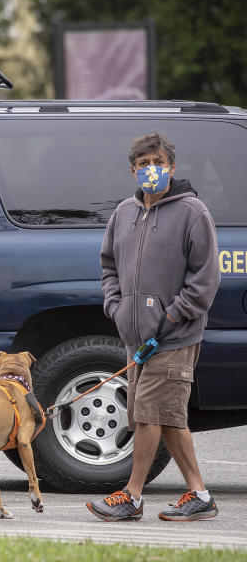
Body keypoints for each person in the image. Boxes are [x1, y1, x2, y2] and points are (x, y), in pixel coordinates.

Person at [88, 132, 221, 522]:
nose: (151, 170)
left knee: (148, 414)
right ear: (133, 171)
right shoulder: (123, 214)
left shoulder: (193, 212)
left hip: (174, 336)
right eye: (143, 165)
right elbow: (108, 265)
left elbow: (205, 279)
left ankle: (131, 496)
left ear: (171, 168)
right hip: (135, 337)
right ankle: (200, 494)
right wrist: (115, 306)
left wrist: (172, 316)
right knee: (164, 417)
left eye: (157, 163)